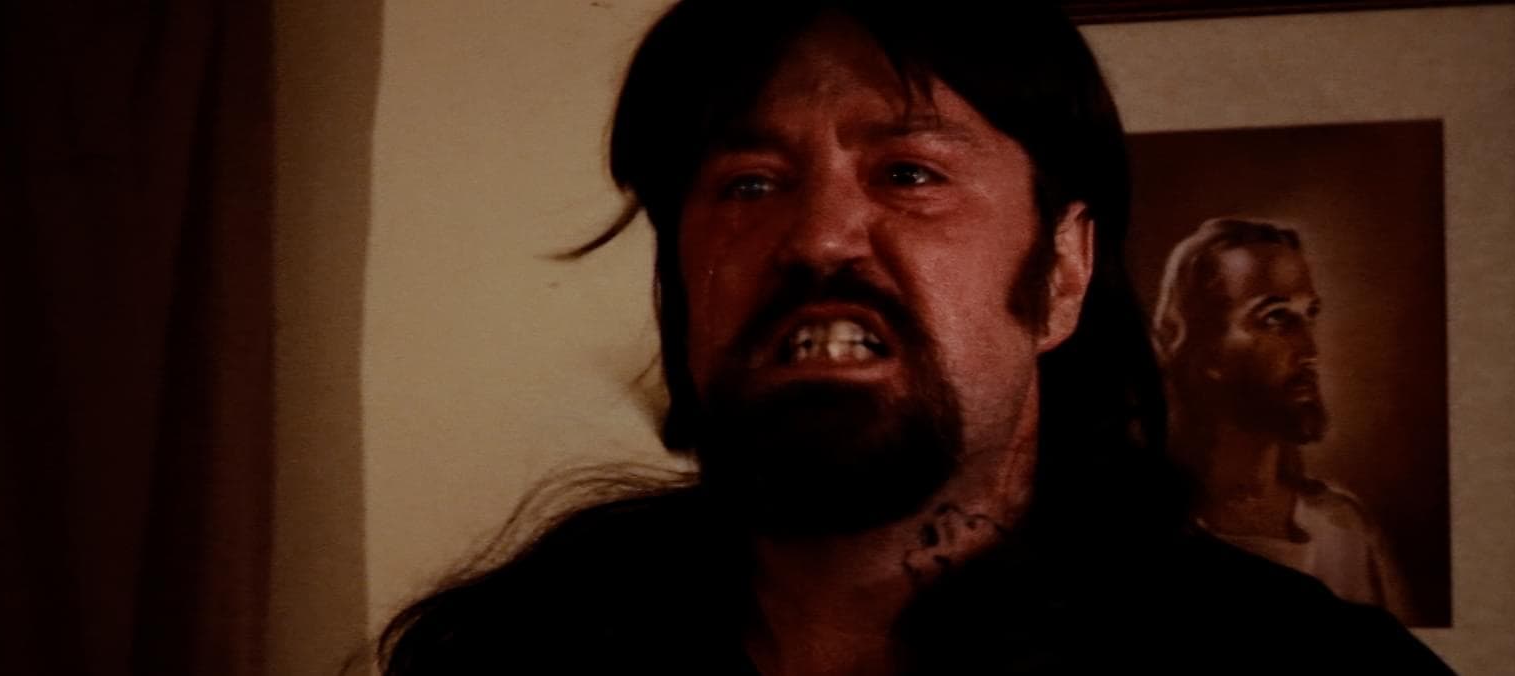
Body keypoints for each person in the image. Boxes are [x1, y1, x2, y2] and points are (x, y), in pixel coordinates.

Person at [376, 2, 1451, 674]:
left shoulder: (1298, 668)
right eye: (749, 184)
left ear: (1063, 273)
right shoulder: (513, 653)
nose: (818, 236)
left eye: (909, 173)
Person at [1150, 217, 1415, 622]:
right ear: (1203, 348)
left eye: (1310, 315)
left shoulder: (1344, 532)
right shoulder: (1143, 532)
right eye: (1275, 318)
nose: (1310, 351)